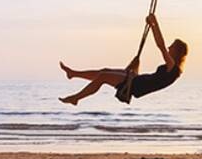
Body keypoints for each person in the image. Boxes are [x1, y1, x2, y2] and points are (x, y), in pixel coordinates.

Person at [58, 14, 188, 105]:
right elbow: (151, 82)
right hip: (136, 80)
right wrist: (136, 66)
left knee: (103, 76)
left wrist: (154, 24)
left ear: (177, 52)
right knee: (104, 71)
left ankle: (76, 98)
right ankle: (73, 74)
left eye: (172, 46)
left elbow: (161, 46)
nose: (169, 47)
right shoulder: (173, 70)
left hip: (135, 85)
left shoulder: (173, 69)